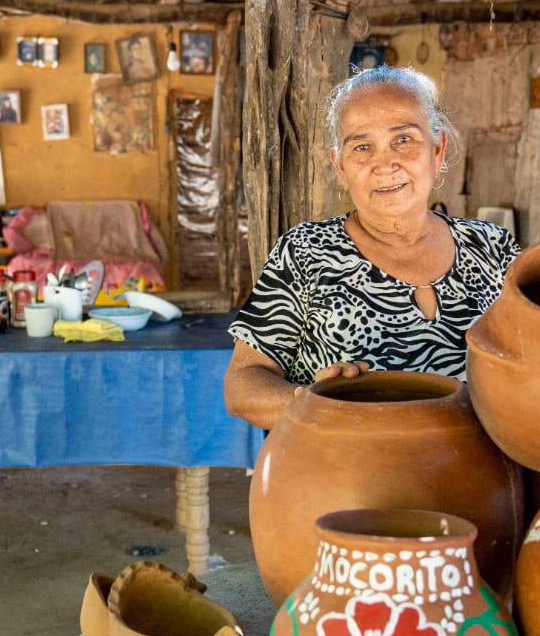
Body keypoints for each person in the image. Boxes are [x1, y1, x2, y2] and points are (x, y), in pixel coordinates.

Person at [223, 66, 521, 429]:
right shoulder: (305, 253)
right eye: (362, 147)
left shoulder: (493, 248)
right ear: (341, 168)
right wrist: (307, 402)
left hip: (479, 477)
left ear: (438, 150)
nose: (385, 164)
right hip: (341, 475)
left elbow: (539, 364)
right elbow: (242, 383)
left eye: (404, 139)